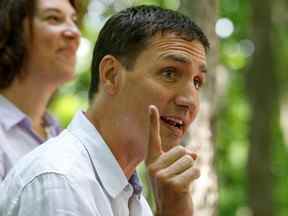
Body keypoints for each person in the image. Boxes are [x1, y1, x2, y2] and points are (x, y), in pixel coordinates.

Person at [0, 5, 209, 216]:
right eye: (170, 73)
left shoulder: (132, 196)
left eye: (198, 82)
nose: (190, 100)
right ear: (111, 75)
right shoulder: (61, 183)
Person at [0, 0, 85, 181]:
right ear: (13, 30)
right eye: (54, 18)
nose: (75, 33)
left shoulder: (61, 135)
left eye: (74, 21)